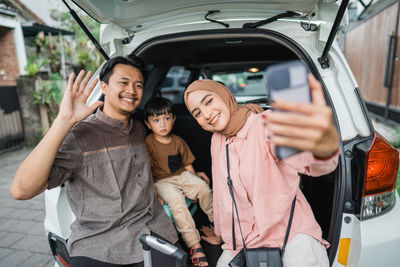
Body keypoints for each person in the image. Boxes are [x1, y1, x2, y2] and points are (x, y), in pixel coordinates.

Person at [10, 56, 179, 267]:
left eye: (138, 85)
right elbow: (21, 190)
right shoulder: (79, 135)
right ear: (104, 87)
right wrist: (64, 121)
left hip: (154, 229)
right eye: (123, 83)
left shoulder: (140, 129)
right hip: (100, 244)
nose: (132, 90)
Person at [184, 76, 340, 267]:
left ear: (225, 95)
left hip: (293, 238)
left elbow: (314, 164)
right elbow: (224, 197)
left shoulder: (266, 124)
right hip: (244, 241)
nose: (206, 114)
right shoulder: (217, 141)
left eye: (209, 101)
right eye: (197, 113)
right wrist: (225, 236)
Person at [144, 97, 214, 267]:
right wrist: (156, 196)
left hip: (181, 175)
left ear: (174, 120)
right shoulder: (148, 144)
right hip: (162, 181)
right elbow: (147, 174)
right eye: (156, 120)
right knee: (176, 201)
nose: (162, 125)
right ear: (148, 124)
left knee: (204, 188)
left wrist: (195, 181)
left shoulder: (178, 141)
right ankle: (194, 244)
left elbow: (188, 164)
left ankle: (217, 225)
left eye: (167, 119)